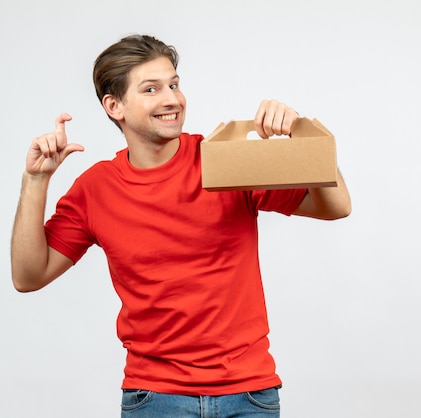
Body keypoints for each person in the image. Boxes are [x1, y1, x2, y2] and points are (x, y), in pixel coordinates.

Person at [11, 34, 351, 417]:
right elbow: (28, 276)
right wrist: (35, 181)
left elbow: (336, 206)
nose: (172, 98)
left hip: (249, 393)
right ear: (115, 105)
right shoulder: (96, 189)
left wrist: (301, 138)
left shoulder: (224, 160)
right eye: (151, 89)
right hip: (155, 398)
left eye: (174, 84)